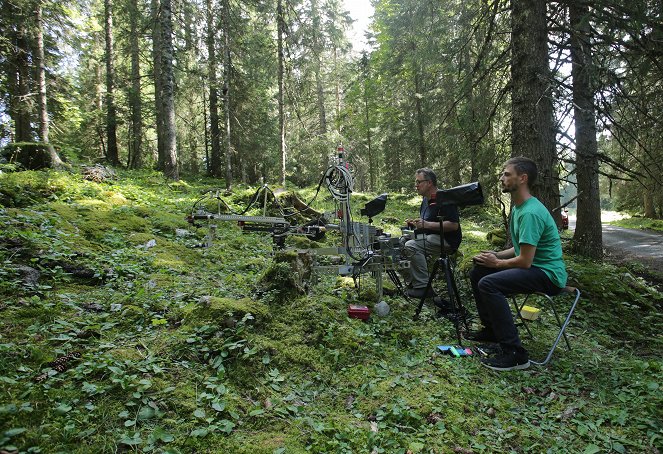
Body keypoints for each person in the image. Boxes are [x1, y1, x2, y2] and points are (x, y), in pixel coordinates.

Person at [469, 156, 567, 371]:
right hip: (534, 267)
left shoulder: (530, 212)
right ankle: (492, 331)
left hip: (548, 275)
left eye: (507, 174)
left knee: (489, 283)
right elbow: (520, 248)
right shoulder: (519, 208)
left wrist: (496, 264)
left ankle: (515, 354)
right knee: (479, 271)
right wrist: (493, 256)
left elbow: (524, 261)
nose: (502, 178)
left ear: (522, 178)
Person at [401, 168, 462, 299]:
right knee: (401, 241)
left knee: (411, 245)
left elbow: (453, 225)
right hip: (430, 236)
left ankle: (423, 287)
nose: (416, 185)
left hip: (447, 240)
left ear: (429, 183)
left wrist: (426, 225)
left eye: (419, 182)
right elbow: (427, 223)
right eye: (415, 182)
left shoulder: (445, 198)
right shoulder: (425, 200)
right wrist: (415, 224)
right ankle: (412, 283)